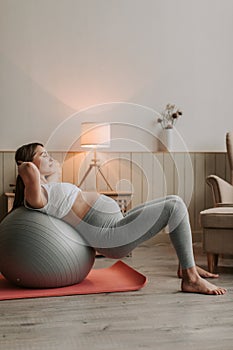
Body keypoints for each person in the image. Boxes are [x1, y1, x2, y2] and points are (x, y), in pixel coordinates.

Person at [13, 142, 227, 295]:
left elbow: (48, 170)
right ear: (28, 166)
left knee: (173, 199)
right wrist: (24, 165)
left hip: (117, 223)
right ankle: (191, 279)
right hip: (111, 236)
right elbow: (29, 170)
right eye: (43, 155)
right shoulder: (37, 196)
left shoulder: (49, 187)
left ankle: (185, 266)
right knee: (175, 206)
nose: (50, 157)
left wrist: (44, 162)